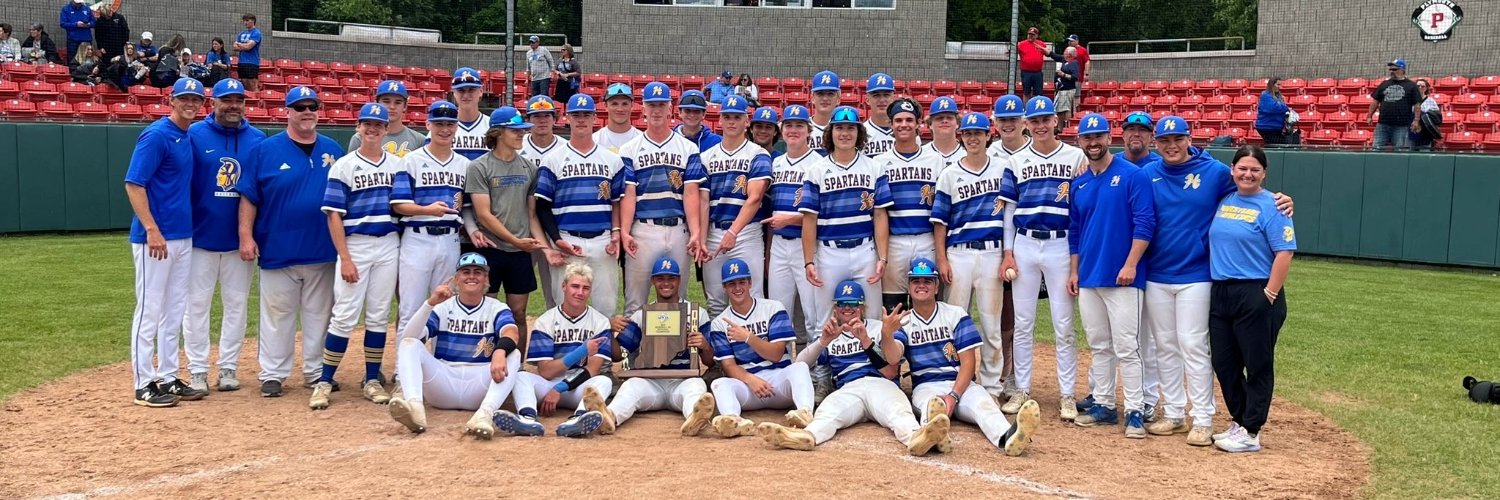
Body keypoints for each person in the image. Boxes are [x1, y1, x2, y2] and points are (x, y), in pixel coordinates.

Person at [1141, 116, 1294, 447]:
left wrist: (1283, 200)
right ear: (1157, 143)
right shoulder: (1148, 173)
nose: (1171, 145)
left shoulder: (1214, 172)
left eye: (1178, 138)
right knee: (1167, 346)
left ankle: (1204, 419)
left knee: (1194, 346)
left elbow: (1251, 186)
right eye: (1165, 140)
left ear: (1189, 139)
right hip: (1159, 274)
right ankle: (1175, 413)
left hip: (1199, 276)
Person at [757, 280, 949, 455]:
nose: (847, 308)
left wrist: (866, 340)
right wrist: (822, 342)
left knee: (898, 413)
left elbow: (890, 372)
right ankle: (806, 437)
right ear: (835, 308)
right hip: (848, 389)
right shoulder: (831, 335)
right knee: (827, 413)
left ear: (862, 307)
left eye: (853, 304)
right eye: (842, 304)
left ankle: (918, 438)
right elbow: (800, 363)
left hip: (881, 384)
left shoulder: (879, 328)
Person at [238, 86, 344, 398]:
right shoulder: (264, 150)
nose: (307, 111)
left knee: (319, 314)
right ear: (288, 111)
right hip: (277, 248)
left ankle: (315, 372)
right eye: (300, 107)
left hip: (322, 248)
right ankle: (273, 373)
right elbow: (248, 197)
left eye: (312, 106)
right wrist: (246, 236)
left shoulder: (333, 149)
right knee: (277, 315)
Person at [309, 103, 402, 410]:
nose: (373, 129)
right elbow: (333, 216)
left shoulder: (397, 166)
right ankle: (324, 381)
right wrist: (345, 258)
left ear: (386, 129)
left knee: (377, 314)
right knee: (345, 314)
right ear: (358, 128)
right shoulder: (344, 165)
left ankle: (372, 379)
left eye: (379, 124)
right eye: (367, 124)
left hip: (388, 243)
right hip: (357, 244)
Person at [1067, 113, 1154, 439]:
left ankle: (1135, 409)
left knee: (1127, 347)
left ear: (1109, 137)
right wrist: (1075, 271)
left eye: (1098, 137)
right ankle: (1104, 404)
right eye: (1087, 138)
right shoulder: (1080, 182)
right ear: (1080, 142)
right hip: (1090, 276)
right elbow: (1075, 231)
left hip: (1123, 277)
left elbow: (1145, 223)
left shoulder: (1132, 175)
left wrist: (1131, 264)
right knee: (1100, 345)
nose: (1093, 143)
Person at [124, 77, 209, 408]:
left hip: (182, 235)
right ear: (171, 100)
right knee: (149, 310)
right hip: (155, 239)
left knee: (175, 309)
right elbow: (134, 184)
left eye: (196, 99)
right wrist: (151, 228)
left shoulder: (185, 136)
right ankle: (143, 383)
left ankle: (169, 375)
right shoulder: (157, 135)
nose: (191, 103)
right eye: (185, 97)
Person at [902, 258, 1040, 455]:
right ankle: (930, 435)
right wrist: (887, 335)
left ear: (936, 287)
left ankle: (1009, 437)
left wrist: (954, 396)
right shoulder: (903, 322)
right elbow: (892, 359)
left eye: (927, 281)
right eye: (916, 281)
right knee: (931, 406)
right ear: (908, 287)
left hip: (961, 384)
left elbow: (968, 362)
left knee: (984, 406)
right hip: (926, 386)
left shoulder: (955, 314)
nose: (921, 285)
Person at [1207, 145, 1295, 453]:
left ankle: (1252, 429)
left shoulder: (1274, 205)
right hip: (1221, 291)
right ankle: (1240, 419)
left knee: (1257, 364)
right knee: (1224, 362)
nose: (1247, 174)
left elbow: (1285, 252)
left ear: (1264, 174)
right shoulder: (1224, 199)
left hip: (1257, 289)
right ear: (1232, 170)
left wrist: (1269, 293)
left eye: (1254, 170)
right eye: (1242, 168)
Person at [1000, 96, 1084, 419]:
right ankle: (1021, 388)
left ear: (1055, 121)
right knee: (1023, 323)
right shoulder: (1017, 160)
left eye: (1045, 119)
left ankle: (1066, 395)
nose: (1040, 125)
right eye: (1034, 121)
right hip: (1025, 242)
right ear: (1027, 124)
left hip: (1060, 243)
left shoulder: (1075, 156)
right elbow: (1009, 210)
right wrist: (1008, 253)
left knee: (1064, 324)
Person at [386, 253, 525, 438]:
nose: (472, 276)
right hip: (443, 383)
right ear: (457, 279)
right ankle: (415, 409)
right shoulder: (443, 307)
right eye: (466, 272)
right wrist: (429, 303)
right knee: (409, 344)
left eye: (478, 272)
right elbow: (410, 337)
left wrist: (500, 352)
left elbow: (511, 332)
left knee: (513, 354)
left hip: (479, 385)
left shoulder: (496, 307)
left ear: (486, 279)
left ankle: (484, 415)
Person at [183, 79, 265, 393]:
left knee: (236, 305)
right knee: (196, 306)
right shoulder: (194, 134)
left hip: (239, 242)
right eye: (226, 100)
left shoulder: (257, 139)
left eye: (238, 100)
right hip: (199, 238)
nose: (233, 105)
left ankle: (228, 367)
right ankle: (198, 369)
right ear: (213, 102)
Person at [932, 110, 1012, 404]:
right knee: (954, 321)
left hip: (991, 252)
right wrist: (942, 259)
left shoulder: (1003, 168)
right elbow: (940, 222)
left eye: (978, 133)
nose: (973, 138)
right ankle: (954, 376)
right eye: (968, 134)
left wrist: (1007, 255)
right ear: (961, 137)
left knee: (991, 325)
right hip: (959, 254)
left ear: (988, 135)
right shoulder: (950, 173)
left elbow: (1010, 218)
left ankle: (992, 386)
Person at [586, 257, 716, 435]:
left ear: (679, 280)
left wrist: (705, 345)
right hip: (650, 383)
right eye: (661, 279)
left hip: (683, 380)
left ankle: (694, 420)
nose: (666, 283)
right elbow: (618, 355)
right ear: (653, 281)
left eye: (671, 278)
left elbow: (709, 361)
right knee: (630, 387)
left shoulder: (696, 314)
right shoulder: (642, 315)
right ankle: (609, 417)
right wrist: (607, 330)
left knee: (696, 387)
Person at [492, 263, 613, 438]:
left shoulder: (600, 322)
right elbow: (546, 371)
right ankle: (527, 418)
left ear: (590, 291)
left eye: (585, 288)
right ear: (564, 287)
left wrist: (559, 389)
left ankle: (578, 419)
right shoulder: (545, 321)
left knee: (603, 381)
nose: (580, 292)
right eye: (575, 286)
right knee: (520, 376)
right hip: (547, 385)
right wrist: (581, 351)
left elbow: (592, 370)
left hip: (578, 389)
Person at [800, 105, 891, 331]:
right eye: (839, 127)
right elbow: (809, 220)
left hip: (865, 250)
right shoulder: (816, 170)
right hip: (828, 252)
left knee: (872, 315)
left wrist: (883, 257)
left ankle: (874, 364)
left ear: (859, 133)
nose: (845, 133)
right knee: (824, 317)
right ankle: (822, 367)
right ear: (830, 132)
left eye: (851, 128)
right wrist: (809, 260)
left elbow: (880, 215)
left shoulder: (874, 167)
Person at [701, 258, 815, 437]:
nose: (737, 288)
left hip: (779, 382)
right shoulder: (719, 323)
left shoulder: (773, 308)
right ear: (724, 287)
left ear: (750, 283)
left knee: (799, 368)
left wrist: (748, 337)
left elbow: (777, 354)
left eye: (741, 282)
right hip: (748, 387)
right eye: (731, 284)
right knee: (719, 383)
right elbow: (728, 366)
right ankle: (733, 421)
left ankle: (804, 412)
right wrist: (749, 379)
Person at [534, 93, 625, 316]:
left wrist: (616, 233)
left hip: (603, 241)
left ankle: (600, 352)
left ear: (595, 117)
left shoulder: (612, 159)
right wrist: (556, 240)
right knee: (564, 308)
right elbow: (542, 206)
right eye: (576, 115)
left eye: (586, 115)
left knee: (607, 309)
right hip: (567, 240)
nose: (581, 120)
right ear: (567, 117)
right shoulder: (553, 159)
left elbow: (616, 203)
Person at [617, 82, 702, 317]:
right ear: (643, 108)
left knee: (677, 299)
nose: (656, 110)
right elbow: (629, 193)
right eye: (651, 104)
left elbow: (691, 192)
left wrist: (695, 231)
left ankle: (677, 354)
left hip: (678, 229)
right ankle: (634, 355)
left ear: (670, 108)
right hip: (643, 229)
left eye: (661, 105)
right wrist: (625, 231)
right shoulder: (630, 148)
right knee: (635, 301)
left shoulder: (688, 148)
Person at [462, 106, 546, 336]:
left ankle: (515, 366)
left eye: (522, 130)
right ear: (498, 133)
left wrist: (543, 248)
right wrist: (516, 241)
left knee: (518, 313)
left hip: (520, 252)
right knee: (485, 312)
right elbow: (483, 215)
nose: (521, 134)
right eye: (514, 130)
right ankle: (483, 367)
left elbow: (531, 214)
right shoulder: (479, 166)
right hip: (491, 249)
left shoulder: (529, 167)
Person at [392, 100, 470, 339]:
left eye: (449, 124)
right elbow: (398, 205)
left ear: (456, 127)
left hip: (450, 240)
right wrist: (427, 210)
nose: (444, 129)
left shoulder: (464, 164)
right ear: (428, 125)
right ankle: (402, 370)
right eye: (439, 124)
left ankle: (438, 366)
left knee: (445, 307)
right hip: (417, 239)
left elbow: (465, 208)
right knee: (411, 308)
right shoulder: (411, 160)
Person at [688, 95, 771, 317]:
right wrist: (703, 239)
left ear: (746, 121)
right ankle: (720, 350)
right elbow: (704, 201)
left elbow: (755, 197)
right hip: (715, 231)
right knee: (715, 300)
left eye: (737, 117)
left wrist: (734, 231)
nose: (732, 121)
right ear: (720, 120)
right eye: (727, 117)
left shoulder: (758, 154)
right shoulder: (705, 157)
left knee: (753, 296)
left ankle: (754, 349)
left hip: (746, 233)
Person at [764, 104, 823, 345]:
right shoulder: (776, 163)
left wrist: (789, 219)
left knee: (813, 314)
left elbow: (824, 213)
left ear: (809, 130)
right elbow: (771, 217)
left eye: (799, 125)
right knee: (781, 313)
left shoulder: (819, 163)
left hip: (807, 244)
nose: (793, 130)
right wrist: (768, 252)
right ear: (782, 130)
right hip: (779, 245)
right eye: (789, 125)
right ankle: (784, 368)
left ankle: (818, 373)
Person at [875, 98, 941, 310]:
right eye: (898, 120)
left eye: (909, 120)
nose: (904, 124)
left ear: (918, 124)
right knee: (894, 305)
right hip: (894, 241)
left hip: (926, 238)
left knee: (927, 301)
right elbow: (879, 212)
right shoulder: (879, 162)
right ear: (891, 124)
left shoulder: (935, 160)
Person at [520, 95, 564, 309]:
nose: (542, 120)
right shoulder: (518, 147)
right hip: (521, 224)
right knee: (517, 290)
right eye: (536, 116)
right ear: (528, 119)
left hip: (552, 223)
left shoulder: (565, 147)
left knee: (555, 289)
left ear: (555, 118)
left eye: (546, 115)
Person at [349, 80, 425, 157]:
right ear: (377, 103)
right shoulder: (361, 137)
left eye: (398, 102)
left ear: (405, 106)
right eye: (386, 101)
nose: (392, 107)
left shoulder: (419, 140)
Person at [1369, 59, 1422, 151]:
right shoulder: (1385, 84)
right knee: (1376, 148)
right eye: (1391, 69)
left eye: (1395, 69)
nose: (1392, 71)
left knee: (1399, 150)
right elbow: (1375, 101)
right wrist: (1369, 115)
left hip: (1401, 125)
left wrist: (1416, 120)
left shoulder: (1411, 85)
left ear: (1402, 70)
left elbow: (1417, 105)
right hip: (1383, 124)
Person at [449, 67, 491, 160]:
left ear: (480, 91)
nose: (466, 95)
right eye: (461, 90)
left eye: (471, 90)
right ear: (454, 93)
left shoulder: (491, 126)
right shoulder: (443, 128)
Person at [594, 83, 641, 154]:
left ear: (632, 106)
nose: (620, 109)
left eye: (625, 104)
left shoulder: (641, 140)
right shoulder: (594, 141)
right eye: (614, 104)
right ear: (605, 106)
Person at [862, 73, 898, 157]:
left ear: (893, 98)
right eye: (876, 95)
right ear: (867, 100)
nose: (882, 100)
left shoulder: (906, 132)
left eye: (886, 95)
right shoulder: (860, 132)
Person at [922, 96, 963, 170]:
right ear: (930, 124)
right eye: (939, 118)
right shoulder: (921, 154)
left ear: (957, 123)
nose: (944, 121)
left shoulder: (968, 154)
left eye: (949, 118)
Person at [806, 70, 842, 151]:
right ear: (812, 98)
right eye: (820, 94)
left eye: (830, 94)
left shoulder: (844, 131)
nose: (825, 98)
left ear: (838, 99)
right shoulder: (802, 128)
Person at [1255, 78, 1293, 146]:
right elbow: (1274, 107)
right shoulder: (1265, 95)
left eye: (1280, 84)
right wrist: (1286, 108)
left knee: (1274, 145)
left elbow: (1280, 107)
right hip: (1267, 127)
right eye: (1278, 84)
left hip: (1276, 127)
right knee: (1279, 145)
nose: (1279, 86)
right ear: (1272, 85)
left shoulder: (1279, 96)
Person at [1017, 27, 1049, 99]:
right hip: (1026, 73)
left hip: (1037, 73)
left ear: (1036, 36)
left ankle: (1035, 109)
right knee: (1026, 92)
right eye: (1029, 34)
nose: (1030, 36)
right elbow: (1012, 52)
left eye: (1033, 34)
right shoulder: (1021, 44)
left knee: (1038, 93)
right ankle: (1026, 108)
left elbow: (1048, 53)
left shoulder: (1041, 44)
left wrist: (1043, 49)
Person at [233, 14, 262, 92]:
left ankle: (256, 101)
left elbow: (249, 47)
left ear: (253, 21)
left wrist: (240, 44)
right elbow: (235, 47)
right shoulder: (241, 33)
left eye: (247, 20)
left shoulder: (256, 33)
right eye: (244, 21)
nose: (245, 23)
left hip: (252, 63)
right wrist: (243, 45)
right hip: (242, 62)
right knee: (244, 83)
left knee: (252, 84)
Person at [1054, 47, 1082, 128]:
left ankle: (1066, 128)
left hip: (1067, 89)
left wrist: (1063, 74)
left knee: (1065, 109)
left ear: (1070, 54)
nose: (1064, 53)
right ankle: (1060, 128)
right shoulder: (1064, 61)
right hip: (1061, 89)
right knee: (1060, 109)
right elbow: (1053, 55)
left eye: (1065, 52)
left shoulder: (1074, 63)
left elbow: (1075, 77)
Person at [1413, 78, 1442, 151]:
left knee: (1424, 152)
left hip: (1425, 132)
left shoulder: (1431, 101)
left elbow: (1437, 117)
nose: (1420, 88)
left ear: (1426, 88)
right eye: (1418, 86)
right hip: (1412, 130)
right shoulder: (1410, 100)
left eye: (1422, 86)